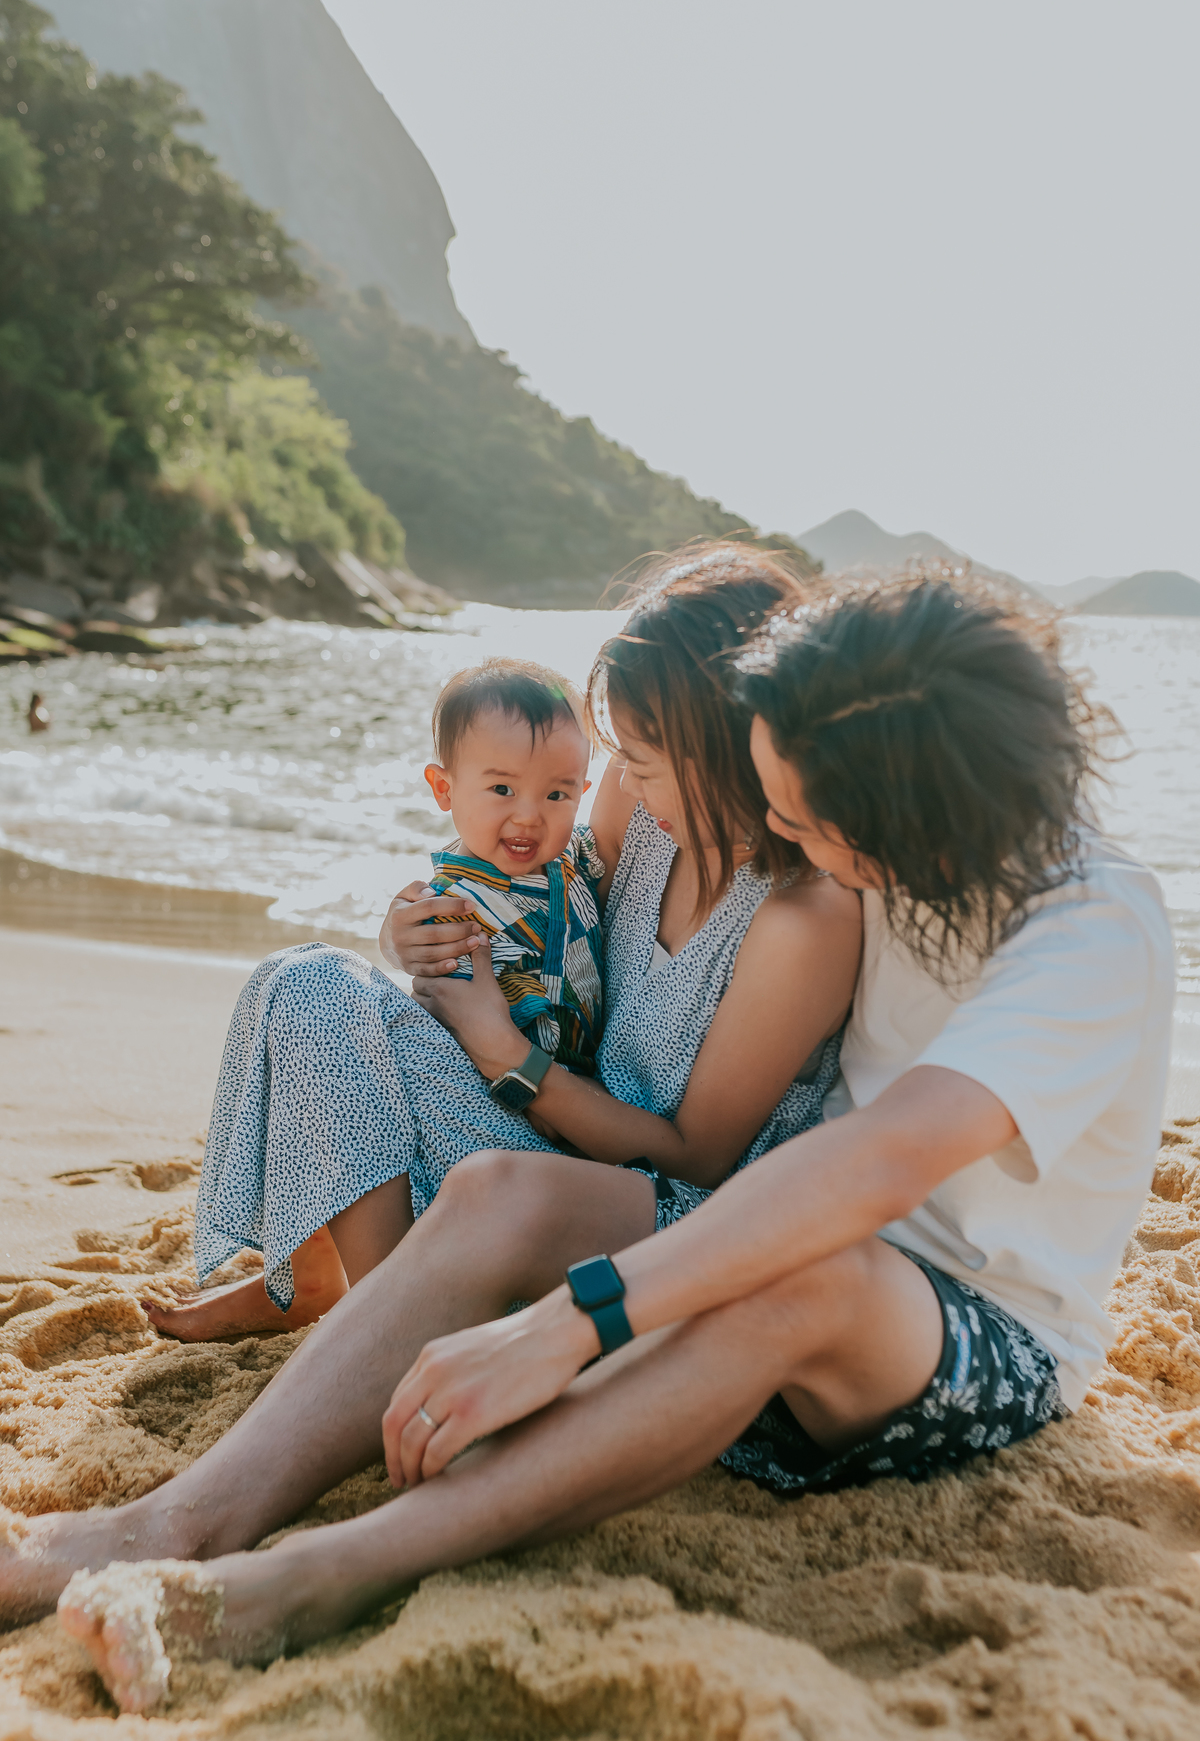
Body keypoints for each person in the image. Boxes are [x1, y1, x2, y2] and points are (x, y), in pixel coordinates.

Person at [13, 570, 1172, 1721]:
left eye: (810, 819)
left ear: (913, 796)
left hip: (964, 1329)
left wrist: (574, 1317)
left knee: (804, 1269)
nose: (786, 837)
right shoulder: (886, 855)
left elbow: (870, 1166)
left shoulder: (1085, 926)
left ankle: (317, 1577)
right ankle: (174, 1519)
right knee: (495, 1191)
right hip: (763, 1240)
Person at [140, 544, 858, 1345]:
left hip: (648, 1217)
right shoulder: (644, 807)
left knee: (345, 1019)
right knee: (308, 983)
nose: (623, 779)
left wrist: (499, 1051)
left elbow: (697, 1160)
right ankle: (352, 1299)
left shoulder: (806, 917)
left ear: (724, 744)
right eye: (626, 754)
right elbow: (541, 900)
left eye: (649, 761)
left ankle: (385, 1335)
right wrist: (412, 930)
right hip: (541, 1132)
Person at [421, 656, 605, 1081]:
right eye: (502, 789)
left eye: (557, 795)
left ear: (582, 793)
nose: (528, 816)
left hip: (586, 1092)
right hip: (511, 1094)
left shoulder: (571, 856)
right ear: (444, 788)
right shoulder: (457, 912)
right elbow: (469, 1036)